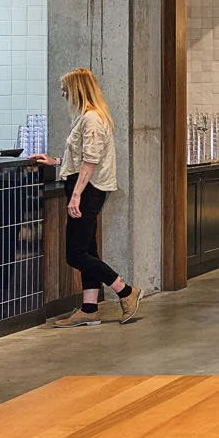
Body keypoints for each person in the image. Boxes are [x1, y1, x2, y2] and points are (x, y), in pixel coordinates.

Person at [34, 68, 142, 326]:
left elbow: (91, 161)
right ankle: (89, 308)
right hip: (87, 187)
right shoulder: (87, 117)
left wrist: (76, 196)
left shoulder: (91, 119)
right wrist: (56, 161)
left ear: (77, 90)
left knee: (75, 254)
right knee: (88, 250)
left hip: (87, 190)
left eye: (65, 90)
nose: (63, 94)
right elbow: (81, 157)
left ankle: (126, 291)